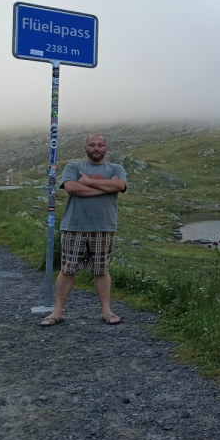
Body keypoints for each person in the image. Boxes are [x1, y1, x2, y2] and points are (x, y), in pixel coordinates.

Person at [39, 134, 127, 326]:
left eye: (100, 145)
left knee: (102, 270)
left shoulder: (116, 168)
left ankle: (106, 311)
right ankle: (57, 312)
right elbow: (71, 187)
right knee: (67, 269)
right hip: (74, 226)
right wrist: (106, 187)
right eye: (92, 145)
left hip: (104, 226)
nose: (96, 148)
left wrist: (87, 182)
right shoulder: (74, 167)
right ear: (85, 147)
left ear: (106, 148)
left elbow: (120, 185)